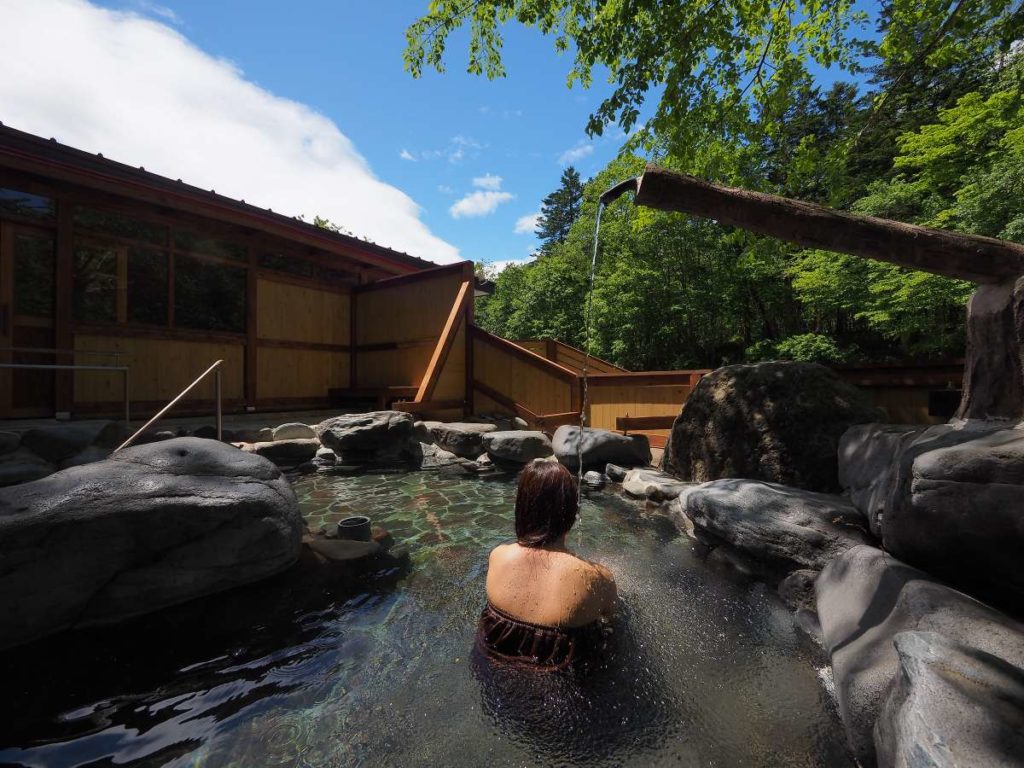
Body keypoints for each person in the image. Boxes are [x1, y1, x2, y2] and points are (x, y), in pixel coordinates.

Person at [476, 459, 617, 670]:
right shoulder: (598, 578)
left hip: (492, 666)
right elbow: (611, 616)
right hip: (565, 681)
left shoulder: (498, 556)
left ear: (521, 508)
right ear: (571, 512)